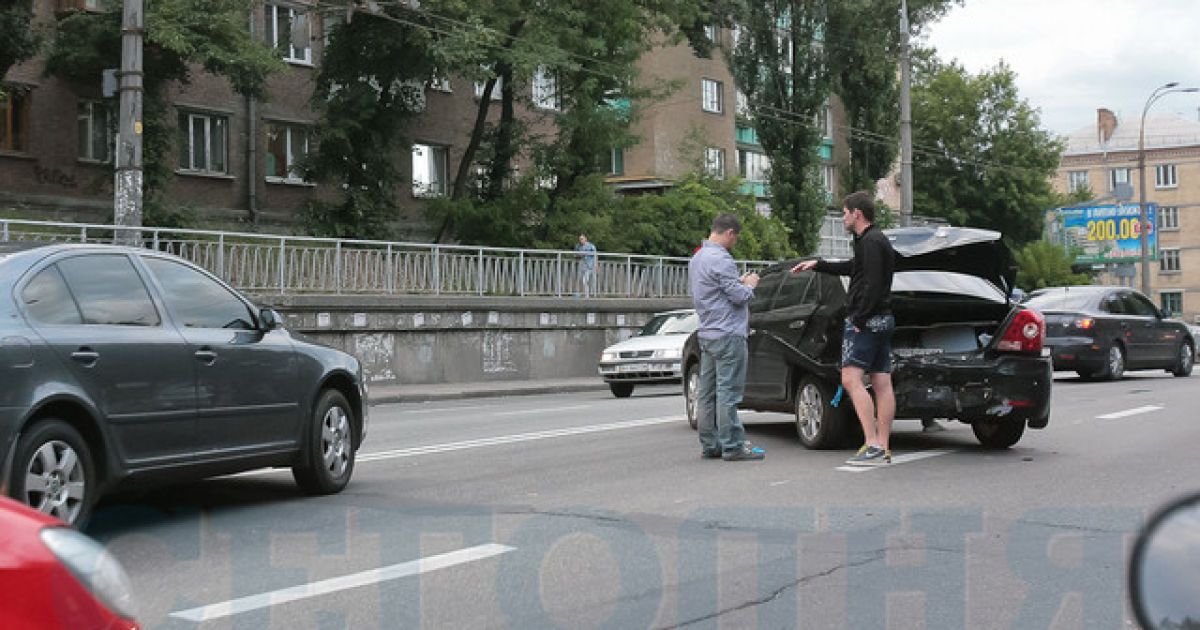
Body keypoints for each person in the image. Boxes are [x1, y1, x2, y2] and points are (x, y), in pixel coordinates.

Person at [792, 191, 896, 466]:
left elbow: (871, 284)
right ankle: (883, 446)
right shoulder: (873, 240)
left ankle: (872, 442)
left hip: (868, 321)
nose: (843, 218)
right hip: (883, 319)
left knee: (850, 379)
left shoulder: (871, 242)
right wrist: (820, 264)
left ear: (857, 214)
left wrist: (859, 318)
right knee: (882, 382)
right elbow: (856, 269)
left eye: (844, 213)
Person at [689, 213, 764, 461]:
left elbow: (716, 291)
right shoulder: (722, 259)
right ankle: (732, 445)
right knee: (728, 393)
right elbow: (739, 297)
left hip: (707, 333)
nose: (735, 242)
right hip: (728, 334)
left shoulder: (698, 258)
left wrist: (737, 282)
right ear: (730, 233)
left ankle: (710, 444)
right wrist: (750, 283)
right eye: (736, 237)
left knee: (706, 393)